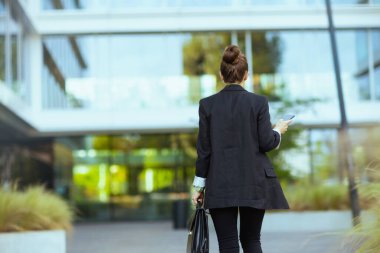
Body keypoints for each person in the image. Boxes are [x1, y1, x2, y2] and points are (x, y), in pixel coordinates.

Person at [191, 45, 292, 253]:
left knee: (228, 244)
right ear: (246, 75)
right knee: (252, 240)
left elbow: (204, 150)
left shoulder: (207, 105)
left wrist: (199, 186)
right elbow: (266, 142)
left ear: (221, 75)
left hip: (220, 183)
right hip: (254, 182)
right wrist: (279, 131)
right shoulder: (259, 103)